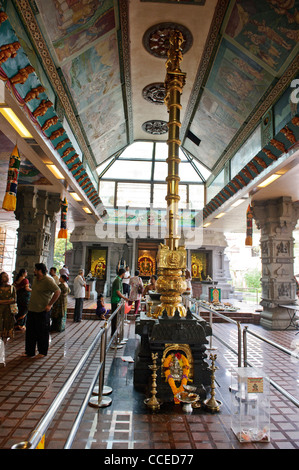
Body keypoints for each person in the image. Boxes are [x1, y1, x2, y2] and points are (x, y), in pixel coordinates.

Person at [23, 263, 60, 357]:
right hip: (32, 309)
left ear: (40, 270)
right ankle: (29, 351)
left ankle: (42, 352)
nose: (34, 271)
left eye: (35, 269)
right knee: (30, 332)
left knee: (42, 332)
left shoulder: (48, 280)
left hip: (42, 310)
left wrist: (50, 304)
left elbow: (57, 291)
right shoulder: (35, 279)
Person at [111, 268, 128, 336]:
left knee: (116, 317)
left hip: (117, 300)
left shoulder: (118, 279)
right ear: (123, 273)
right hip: (115, 300)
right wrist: (124, 298)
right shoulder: (117, 280)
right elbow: (118, 291)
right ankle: (113, 332)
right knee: (115, 318)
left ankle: (115, 331)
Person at [0, 272, 17, 340]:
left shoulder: (12, 288)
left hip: (9, 312)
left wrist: (2, 301)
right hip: (0, 311)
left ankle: (3, 347)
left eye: (7, 276)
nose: (7, 277)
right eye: (4, 276)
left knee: (7, 331)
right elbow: (10, 300)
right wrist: (8, 301)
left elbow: (14, 300)